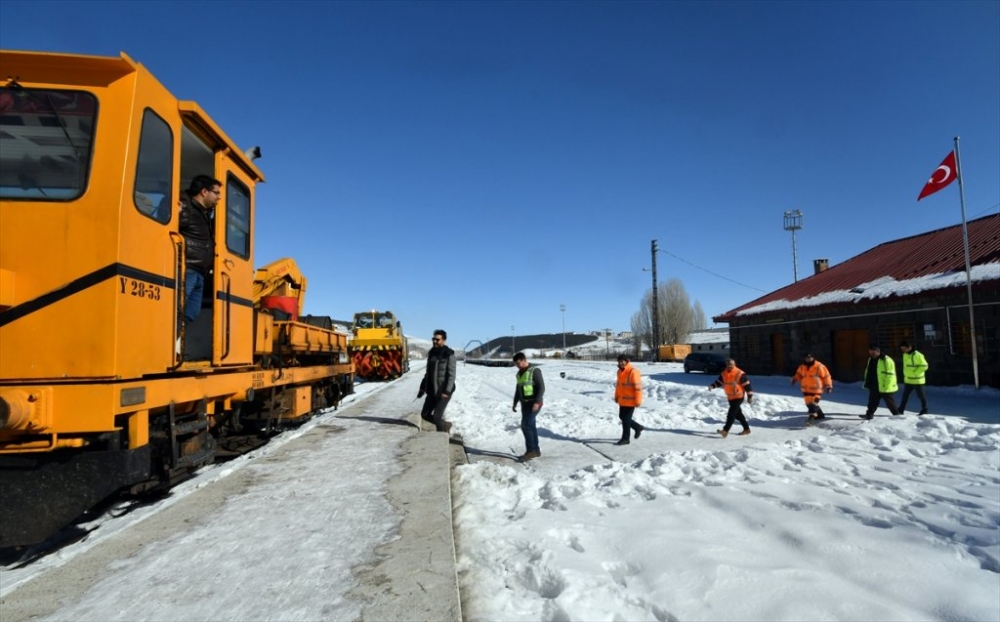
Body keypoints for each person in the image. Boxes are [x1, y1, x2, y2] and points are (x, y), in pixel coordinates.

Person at [179, 175, 221, 324]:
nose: (219, 197)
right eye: (216, 193)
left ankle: (176, 339)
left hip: (199, 271)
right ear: (204, 192)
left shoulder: (203, 213)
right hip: (187, 267)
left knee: (192, 312)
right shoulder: (185, 206)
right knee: (177, 310)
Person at [418, 330, 456, 433]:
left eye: (437, 339)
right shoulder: (431, 354)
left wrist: (447, 391)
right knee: (425, 414)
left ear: (443, 340)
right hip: (431, 390)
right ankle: (446, 425)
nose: (435, 341)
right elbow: (428, 373)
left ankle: (442, 435)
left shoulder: (449, 355)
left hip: (443, 391)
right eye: (433, 339)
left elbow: (452, 376)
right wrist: (422, 388)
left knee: (436, 418)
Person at [511, 352, 545, 461]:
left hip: (534, 403)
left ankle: (531, 451)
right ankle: (536, 450)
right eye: (516, 364)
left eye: (519, 363)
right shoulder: (520, 374)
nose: (517, 366)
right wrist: (515, 402)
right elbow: (518, 389)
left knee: (526, 425)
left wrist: (537, 402)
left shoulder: (534, 371)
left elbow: (541, 387)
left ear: (524, 360)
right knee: (531, 426)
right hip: (524, 404)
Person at [708, 358, 753, 437]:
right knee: (738, 414)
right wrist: (712, 386)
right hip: (730, 397)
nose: (729, 366)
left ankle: (725, 431)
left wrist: (750, 396)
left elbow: (747, 385)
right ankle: (746, 429)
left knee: (731, 414)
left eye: (731, 364)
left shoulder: (739, 373)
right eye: (727, 364)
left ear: (734, 364)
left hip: (739, 396)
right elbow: (719, 382)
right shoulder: (724, 373)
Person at [790, 353, 833, 421]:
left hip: (817, 389)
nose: (808, 359)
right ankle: (820, 415)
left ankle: (811, 417)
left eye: (810, 358)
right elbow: (798, 374)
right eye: (807, 358)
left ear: (813, 358)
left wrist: (829, 386)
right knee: (809, 404)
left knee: (813, 404)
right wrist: (794, 379)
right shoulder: (802, 367)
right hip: (806, 389)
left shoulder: (819, 366)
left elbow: (826, 376)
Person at [860, 343, 899, 419]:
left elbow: (890, 375)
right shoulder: (870, 359)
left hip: (884, 385)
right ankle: (869, 414)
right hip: (874, 384)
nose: (872, 354)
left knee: (889, 401)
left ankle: (897, 415)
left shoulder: (886, 360)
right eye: (870, 352)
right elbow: (868, 371)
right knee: (872, 400)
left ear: (878, 351)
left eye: (873, 352)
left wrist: (886, 385)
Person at [613, 354, 644, 445]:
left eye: (622, 361)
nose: (621, 363)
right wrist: (616, 396)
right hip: (622, 400)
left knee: (626, 419)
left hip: (631, 401)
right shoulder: (619, 372)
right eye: (619, 361)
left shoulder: (633, 372)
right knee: (622, 417)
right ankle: (637, 427)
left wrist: (638, 400)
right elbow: (619, 386)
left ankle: (625, 438)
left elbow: (638, 388)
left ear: (627, 361)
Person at [898, 340, 930, 415]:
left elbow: (924, 366)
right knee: (905, 396)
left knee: (921, 395)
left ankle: (925, 409)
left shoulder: (917, 355)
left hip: (917, 380)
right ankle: (901, 409)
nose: (903, 350)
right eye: (902, 349)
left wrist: (915, 373)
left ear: (909, 347)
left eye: (904, 348)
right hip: (908, 379)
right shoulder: (905, 354)